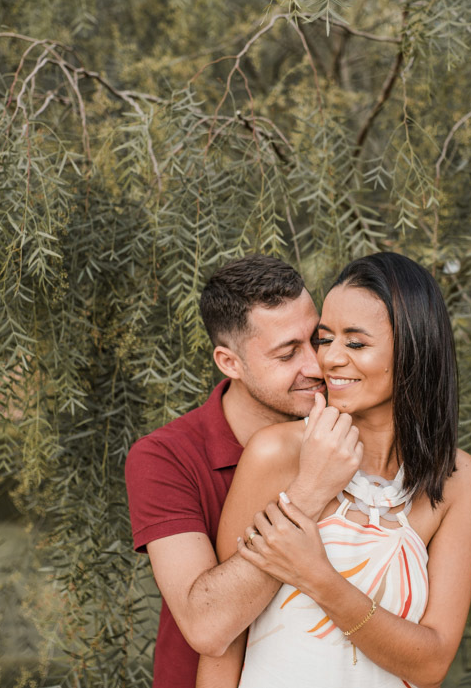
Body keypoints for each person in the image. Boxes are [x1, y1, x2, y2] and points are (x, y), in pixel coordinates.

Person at [196, 252, 471, 688]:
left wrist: (319, 578)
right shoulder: (277, 454)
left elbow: (431, 663)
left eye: (355, 343)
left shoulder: (456, 479)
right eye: (324, 338)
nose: (327, 360)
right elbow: (222, 644)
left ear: (413, 347)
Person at [125, 254, 364, 688]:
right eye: (288, 352)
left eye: (318, 339)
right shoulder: (164, 458)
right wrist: (309, 492)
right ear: (229, 362)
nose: (316, 365)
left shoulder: (348, 434)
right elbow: (208, 626)